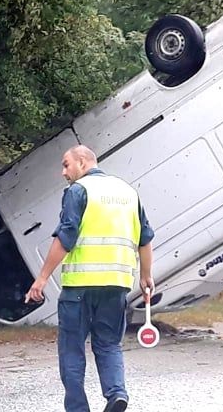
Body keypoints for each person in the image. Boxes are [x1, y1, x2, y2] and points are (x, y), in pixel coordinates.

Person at [25, 145, 155, 412]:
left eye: (66, 165)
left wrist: (41, 278)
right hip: (116, 285)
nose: (63, 172)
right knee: (109, 344)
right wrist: (145, 276)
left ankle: (78, 408)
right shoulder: (128, 192)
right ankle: (117, 394)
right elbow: (145, 238)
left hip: (79, 288)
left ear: (83, 162)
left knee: (72, 349)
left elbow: (66, 238)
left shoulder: (78, 191)